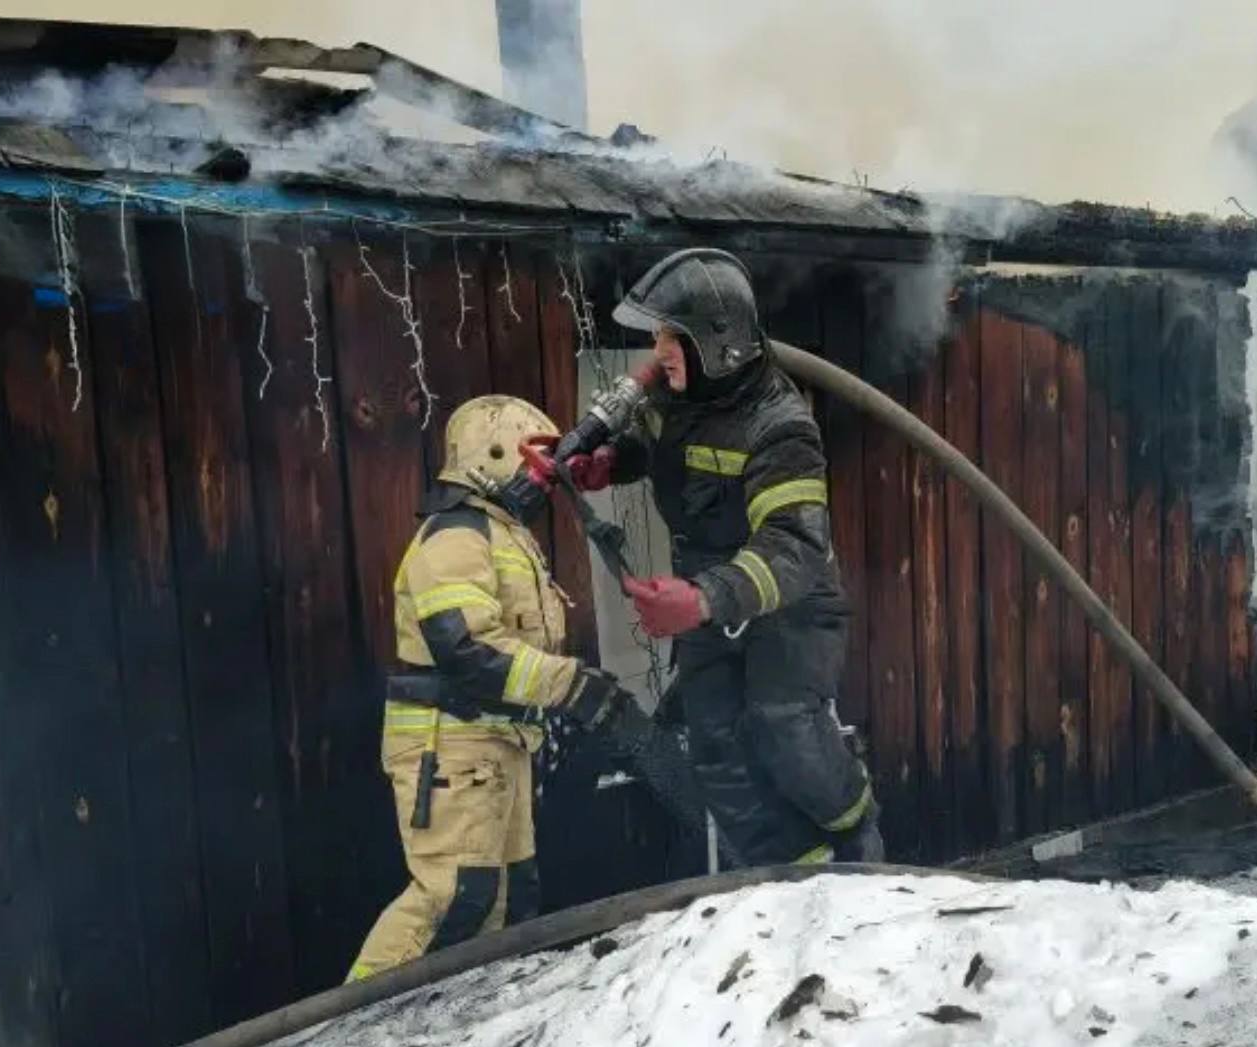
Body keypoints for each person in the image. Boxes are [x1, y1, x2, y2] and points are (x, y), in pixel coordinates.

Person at [566, 247, 883, 869]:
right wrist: (608, 464)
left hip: (787, 602)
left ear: (719, 345)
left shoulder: (782, 426)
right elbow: (657, 449)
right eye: (657, 337)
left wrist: (704, 598)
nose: (658, 354)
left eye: (670, 338)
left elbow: (795, 549)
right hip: (708, 601)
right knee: (716, 747)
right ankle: (795, 867)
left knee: (783, 724)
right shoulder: (678, 401)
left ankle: (859, 841)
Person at [347, 395, 639, 982]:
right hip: (449, 747)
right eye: (535, 461)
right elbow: (468, 650)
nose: (544, 478)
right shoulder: (455, 537)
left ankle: (462, 1034)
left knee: (504, 898)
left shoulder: (502, 535)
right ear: (493, 451)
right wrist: (568, 686)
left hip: (496, 746)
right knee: (452, 896)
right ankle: (347, 1031)